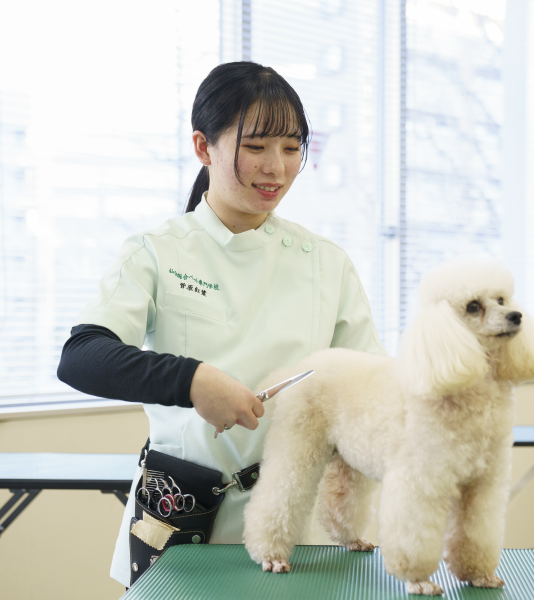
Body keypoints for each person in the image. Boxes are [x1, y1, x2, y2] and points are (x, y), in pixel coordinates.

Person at [57, 61, 386, 588]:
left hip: (296, 529)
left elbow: (371, 390)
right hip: (180, 522)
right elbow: (81, 357)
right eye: (255, 147)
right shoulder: (156, 251)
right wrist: (191, 380)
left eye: (292, 147)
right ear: (203, 147)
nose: (276, 167)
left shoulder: (326, 263)